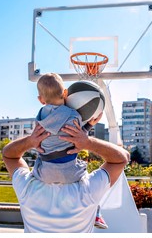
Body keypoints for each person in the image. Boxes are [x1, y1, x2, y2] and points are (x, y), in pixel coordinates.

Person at [2, 122, 129, 233]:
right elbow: (122, 158)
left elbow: (9, 155)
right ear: (75, 154)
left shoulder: (27, 187)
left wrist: (30, 140)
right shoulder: (87, 190)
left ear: (41, 153)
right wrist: (87, 142)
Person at [33, 73, 107, 228]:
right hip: (70, 173)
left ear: (41, 100)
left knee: (39, 159)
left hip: (44, 173)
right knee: (86, 179)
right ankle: (97, 213)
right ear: (65, 93)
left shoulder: (39, 117)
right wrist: (89, 125)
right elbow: (78, 139)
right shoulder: (74, 115)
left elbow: (39, 138)